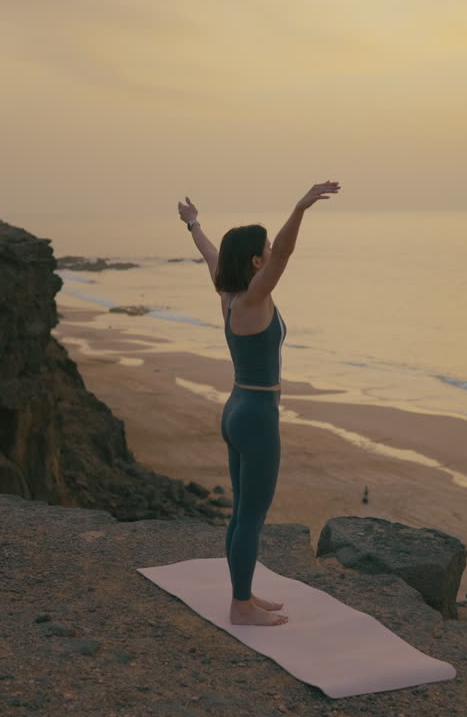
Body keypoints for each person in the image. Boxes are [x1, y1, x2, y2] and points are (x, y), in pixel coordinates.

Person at [177, 181, 341, 626]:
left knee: (240, 512)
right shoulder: (253, 297)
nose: (271, 252)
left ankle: (243, 596)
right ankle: (241, 606)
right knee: (251, 516)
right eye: (264, 249)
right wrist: (300, 208)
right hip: (256, 415)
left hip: (235, 409)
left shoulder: (227, 294)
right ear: (254, 261)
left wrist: (193, 224)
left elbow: (209, 253)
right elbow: (285, 253)